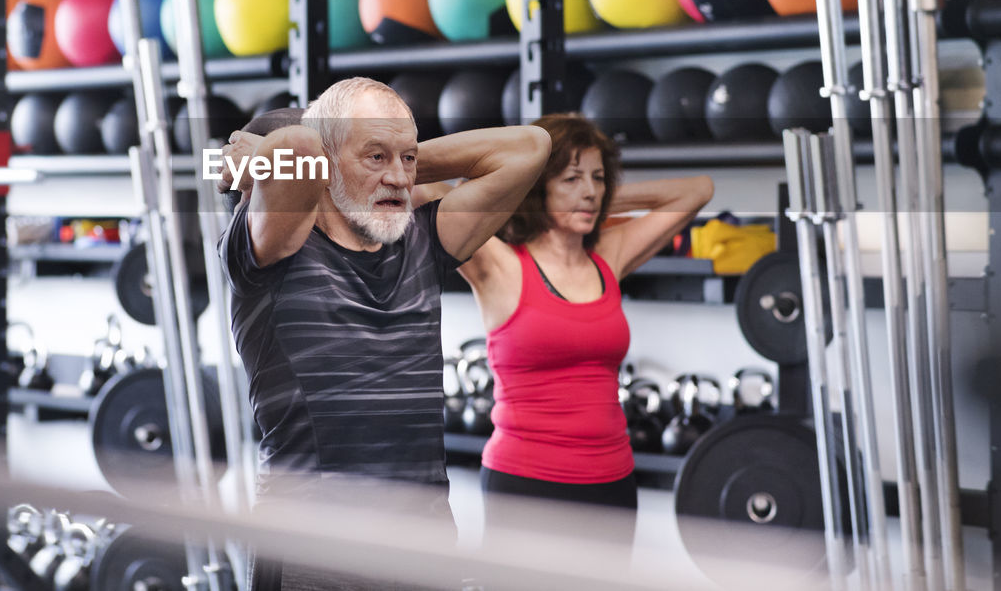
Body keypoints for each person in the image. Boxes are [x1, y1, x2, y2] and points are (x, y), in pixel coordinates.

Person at [216, 78, 550, 591]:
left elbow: (531, 147)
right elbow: (300, 146)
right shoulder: (262, 259)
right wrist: (331, 160)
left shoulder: (419, 240)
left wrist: (386, 161)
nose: (400, 177)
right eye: (374, 156)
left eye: (407, 159)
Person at [454, 113, 713, 554]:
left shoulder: (607, 256)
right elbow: (439, 195)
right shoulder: (501, 264)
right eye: (571, 178)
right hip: (525, 484)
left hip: (610, 482)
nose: (589, 191)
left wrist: (594, 196)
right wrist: (528, 184)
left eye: (597, 178)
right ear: (539, 185)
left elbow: (697, 190)